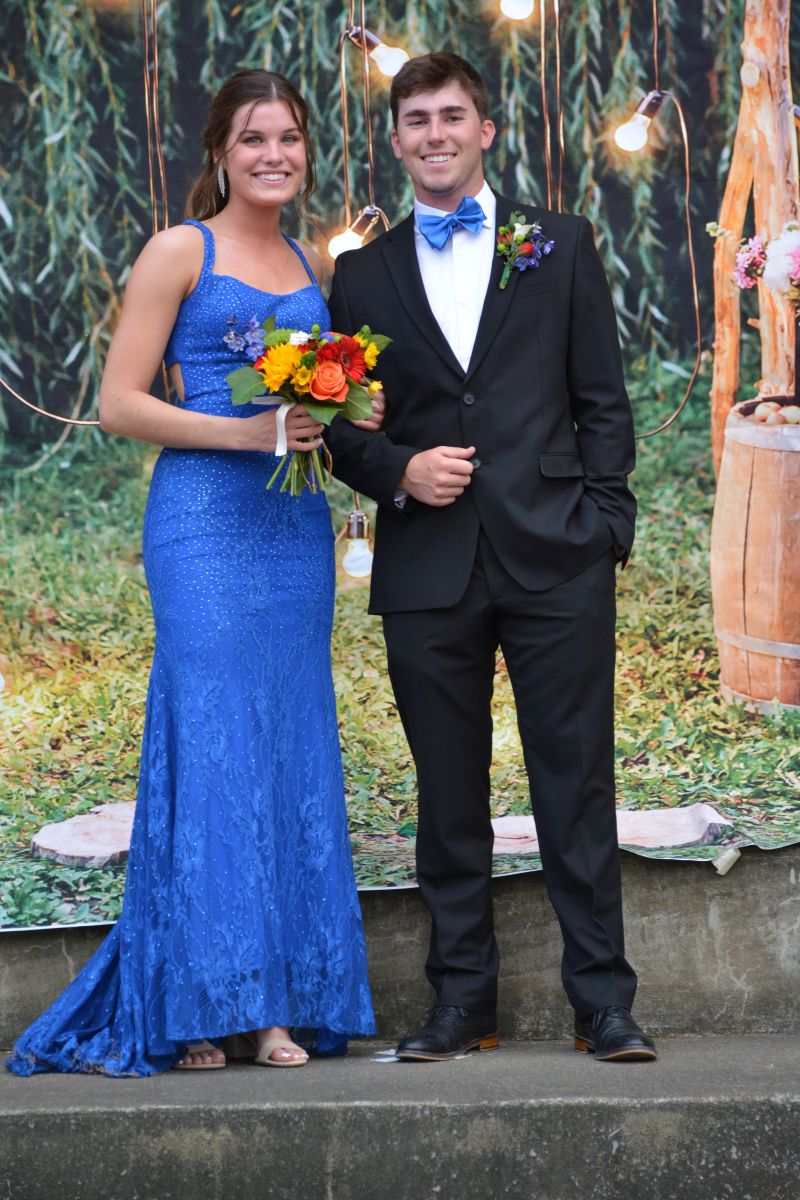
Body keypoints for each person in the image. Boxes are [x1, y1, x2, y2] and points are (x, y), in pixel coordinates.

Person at [7, 69, 377, 1076]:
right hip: (204, 525)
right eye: (253, 138)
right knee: (214, 744)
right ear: (220, 151)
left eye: (289, 138)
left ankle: (276, 1005)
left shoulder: (310, 261)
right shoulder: (182, 250)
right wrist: (248, 430)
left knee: (286, 743)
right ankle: (203, 1002)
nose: (273, 155)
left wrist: (347, 411)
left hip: (291, 525)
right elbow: (120, 403)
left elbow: (313, 408)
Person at [326, 52, 656, 1063]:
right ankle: (462, 1001)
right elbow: (338, 428)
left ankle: (602, 1004)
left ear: (485, 130)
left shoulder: (559, 243)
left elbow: (601, 400)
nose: (435, 134)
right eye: (416, 119)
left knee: (575, 782)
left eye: (451, 115)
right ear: (395, 140)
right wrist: (398, 470)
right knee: (447, 794)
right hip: (429, 564)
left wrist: (605, 524)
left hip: (557, 554)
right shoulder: (362, 273)